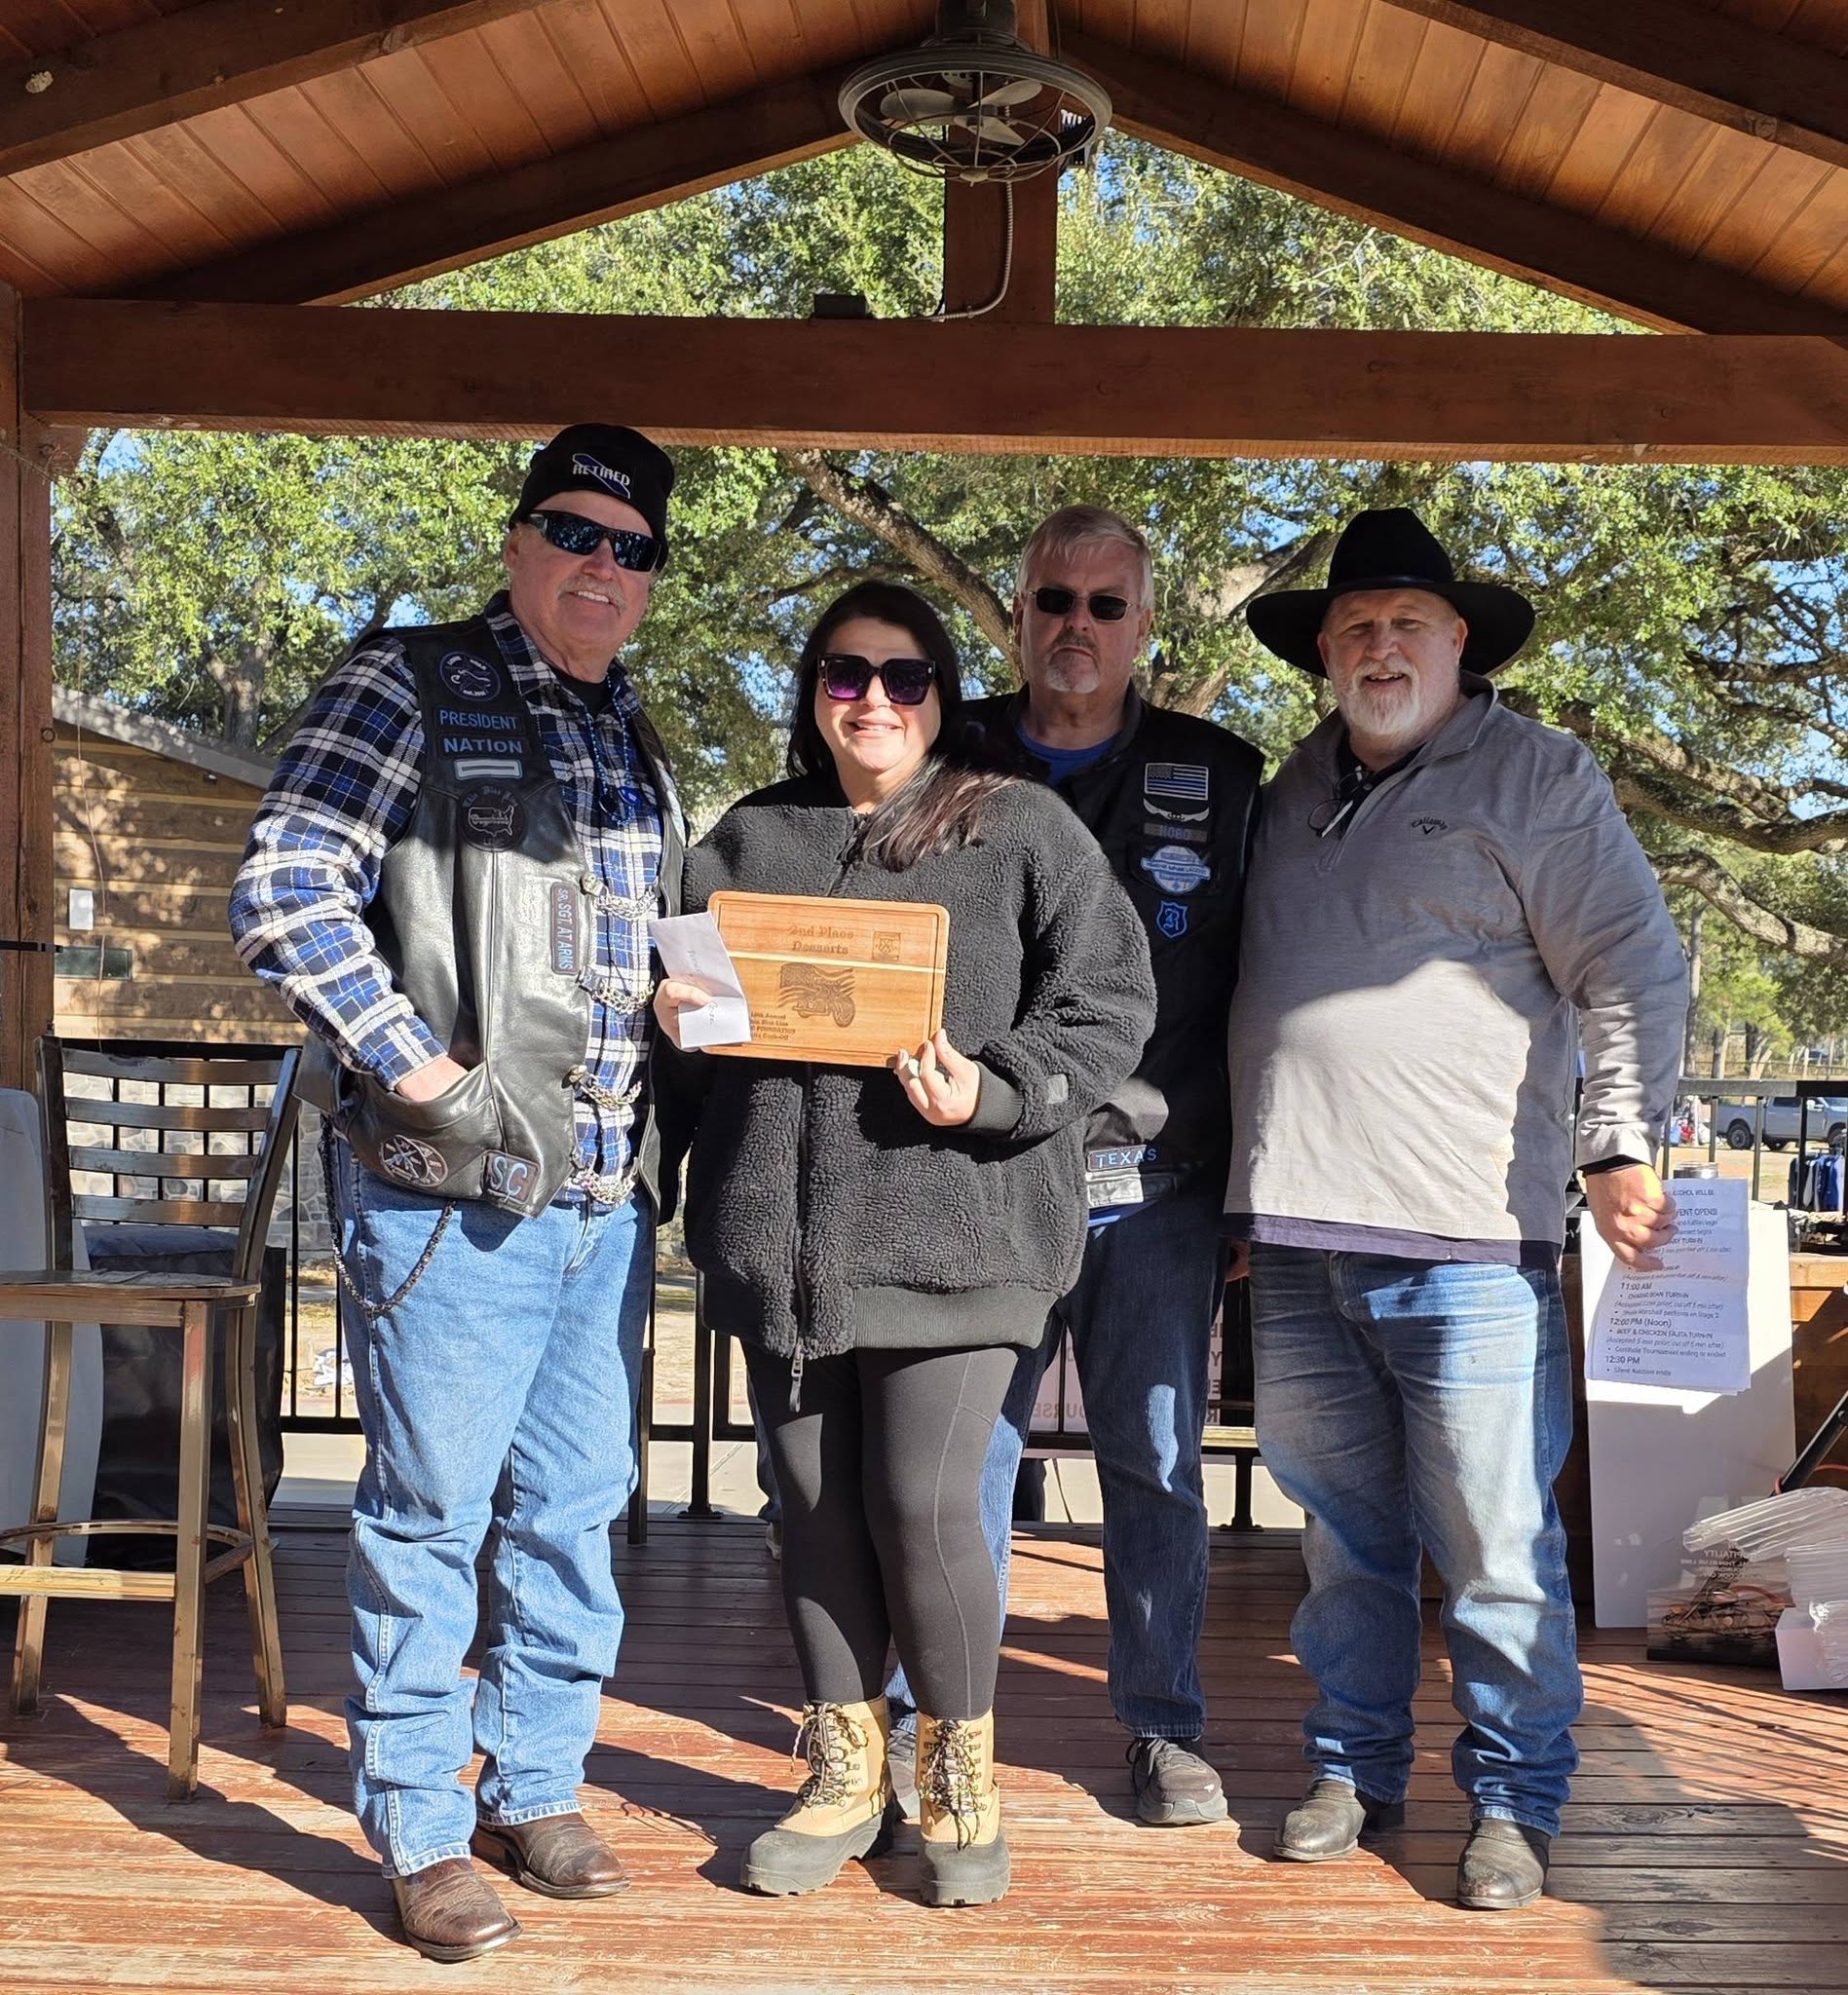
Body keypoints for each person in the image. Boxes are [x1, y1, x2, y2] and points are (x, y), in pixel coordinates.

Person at [230, 426, 683, 1962]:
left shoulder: (634, 737)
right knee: (429, 1518)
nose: (601, 564)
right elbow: (285, 884)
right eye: (574, 530)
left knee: (572, 1513)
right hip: (449, 1195)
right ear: (517, 540)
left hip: (602, 1203)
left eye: (631, 547)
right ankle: (422, 1825)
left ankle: (531, 1787)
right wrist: (421, 1071)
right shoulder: (410, 681)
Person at [655, 581, 1154, 1906]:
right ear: (811, 692)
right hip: (780, 1250)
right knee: (815, 1515)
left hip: (962, 1241)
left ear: (943, 692)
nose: (873, 699)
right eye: (844, 674)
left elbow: (1109, 1004)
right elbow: (693, 1053)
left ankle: (957, 1784)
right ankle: (842, 1780)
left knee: (924, 1508)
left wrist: (994, 1091)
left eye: (904, 676)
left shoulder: (1019, 826)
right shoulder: (744, 841)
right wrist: (677, 1030)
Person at [1228, 508, 1689, 1910]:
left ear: (1457, 644)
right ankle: (1353, 1767)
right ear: (1322, 651)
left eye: (1407, 625)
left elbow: (1632, 963)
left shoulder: (1540, 775)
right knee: (1340, 1543)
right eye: (1355, 626)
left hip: (1471, 1245)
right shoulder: (1287, 787)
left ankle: (1512, 1801)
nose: (1380, 647)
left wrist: (1617, 1143)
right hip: (1294, 1243)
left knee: (1495, 1551)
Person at [884, 506, 1263, 1827]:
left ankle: (1163, 1728)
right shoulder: (948, 752)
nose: (1077, 627)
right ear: (1017, 613)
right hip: (980, 1173)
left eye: (1106, 605)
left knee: (1153, 1463)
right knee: (962, 1464)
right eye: (1054, 600)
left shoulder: (1223, 776)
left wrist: (1247, 1184)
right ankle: (936, 1728)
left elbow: (1263, 981)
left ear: (1144, 624)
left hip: (1153, 1186)